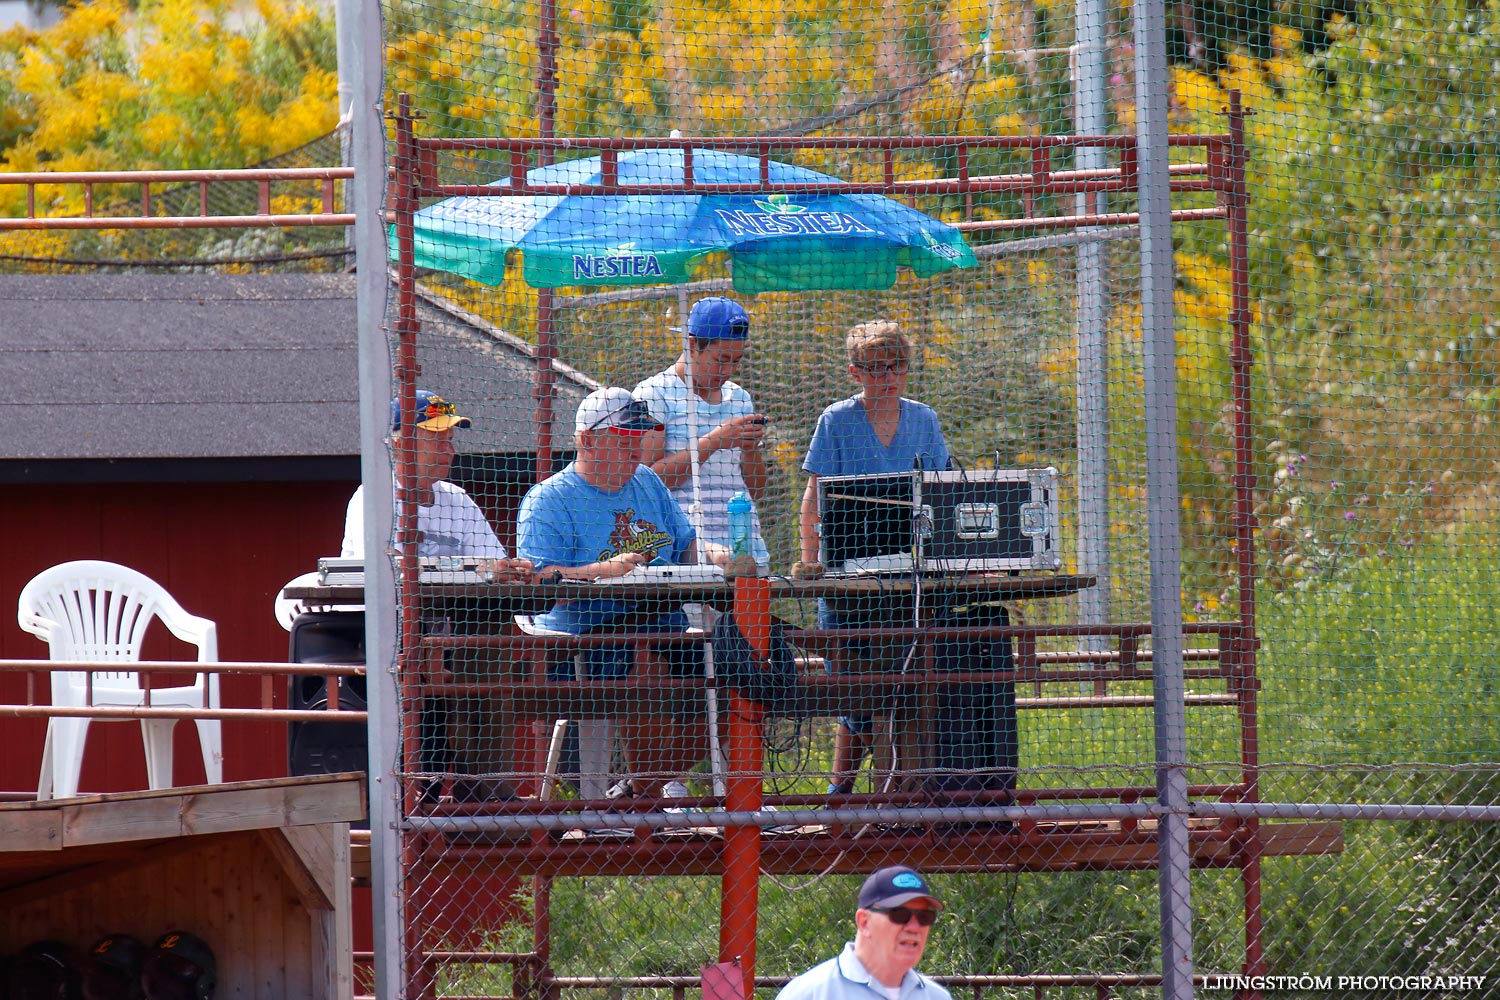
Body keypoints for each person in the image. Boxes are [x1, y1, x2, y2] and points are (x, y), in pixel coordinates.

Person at [341, 389, 534, 803]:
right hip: (378, 639)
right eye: (436, 438)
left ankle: (484, 792)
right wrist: (482, 570)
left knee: (486, 633)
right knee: (452, 652)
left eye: (450, 439)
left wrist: (513, 571)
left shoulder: (456, 500)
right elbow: (389, 574)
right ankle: (427, 790)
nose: (449, 450)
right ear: (399, 441)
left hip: (446, 638)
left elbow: (494, 566)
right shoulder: (372, 497)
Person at [516, 386, 707, 799]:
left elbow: (687, 544)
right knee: (647, 666)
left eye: (640, 438)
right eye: (624, 439)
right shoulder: (549, 499)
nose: (636, 449)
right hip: (585, 639)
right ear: (586, 439)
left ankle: (638, 792)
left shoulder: (648, 481)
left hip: (664, 624)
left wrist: (721, 555)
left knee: (741, 669)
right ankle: (642, 801)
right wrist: (602, 572)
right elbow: (536, 583)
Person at [794, 321, 950, 796]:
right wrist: (809, 558)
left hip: (910, 580)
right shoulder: (836, 421)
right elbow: (814, 496)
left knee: (907, 684)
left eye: (897, 367)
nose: (888, 379)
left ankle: (900, 794)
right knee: (854, 689)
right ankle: (841, 793)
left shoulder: (924, 420)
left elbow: (943, 494)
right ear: (855, 373)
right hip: (847, 580)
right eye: (877, 369)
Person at [633, 295, 770, 569]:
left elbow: (756, 488)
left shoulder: (739, 398)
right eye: (721, 359)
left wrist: (749, 447)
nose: (728, 370)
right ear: (693, 344)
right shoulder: (653, 394)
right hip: (687, 555)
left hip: (745, 549)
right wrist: (715, 441)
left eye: (736, 360)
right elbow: (647, 482)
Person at [775, 865, 950, 1000]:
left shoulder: (937, 996)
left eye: (925, 917)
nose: (913, 927)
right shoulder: (811, 993)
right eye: (900, 915)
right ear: (864, 922)